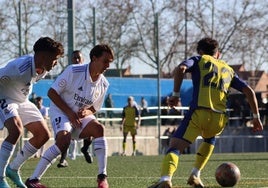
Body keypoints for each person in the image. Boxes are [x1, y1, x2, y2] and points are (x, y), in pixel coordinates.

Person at [148, 37, 263, 188]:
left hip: (199, 112)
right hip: (219, 118)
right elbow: (249, 91)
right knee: (209, 139)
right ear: (218, 54)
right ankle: (195, 175)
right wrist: (256, 117)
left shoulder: (199, 59)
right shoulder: (228, 70)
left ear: (201, 52)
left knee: (175, 146)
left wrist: (175, 95)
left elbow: (180, 69)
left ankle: (165, 179)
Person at [25, 44, 114, 188]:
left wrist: (87, 112)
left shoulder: (104, 83)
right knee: (64, 140)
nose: (108, 66)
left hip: (79, 117)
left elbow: (94, 108)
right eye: (105, 61)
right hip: (61, 111)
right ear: (94, 58)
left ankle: (102, 178)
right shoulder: (73, 71)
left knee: (99, 129)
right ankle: (33, 180)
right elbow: (52, 93)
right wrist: (70, 114)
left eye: (110, 62)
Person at [0, 36, 64, 188]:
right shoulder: (18, 67)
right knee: (16, 130)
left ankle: (13, 169)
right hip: (5, 99)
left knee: (43, 135)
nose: (56, 63)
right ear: (42, 56)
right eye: (54, 59)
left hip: (22, 100)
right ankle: (0, 177)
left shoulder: (44, 68)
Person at [57, 50, 93, 168]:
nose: (77, 60)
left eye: (79, 58)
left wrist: (86, 111)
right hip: (66, 111)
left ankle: (85, 149)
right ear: (71, 60)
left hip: (80, 112)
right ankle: (62, 160)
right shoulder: (68, 73)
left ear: (83, 60)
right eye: (74, 58)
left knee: (94, 129)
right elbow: (56, 92)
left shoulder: (89, 75)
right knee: (65, 136)